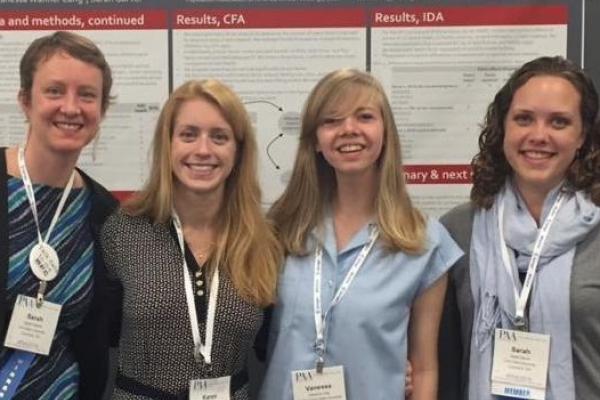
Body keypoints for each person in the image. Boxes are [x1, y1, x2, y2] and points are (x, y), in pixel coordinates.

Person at [259, 69, 462, 400]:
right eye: (331, 120)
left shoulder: (423, 241)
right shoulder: (282, 230)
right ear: (315, 141)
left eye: (364, 116)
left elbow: (424, 368)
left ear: (385, 133)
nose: (349, 129)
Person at [100, 79, 282, 399]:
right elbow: (101, 332)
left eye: (219, 137)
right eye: (188, 134)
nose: (203, 150)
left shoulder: (263, 241)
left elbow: (279, 342)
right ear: (167, 144)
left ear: (238, 151)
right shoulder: (123, 232)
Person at [438, 56, 600, 400]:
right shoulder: (457, 230)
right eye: (524, 119)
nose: (538, 135)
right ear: (503, 129)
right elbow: (441, 359)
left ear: (582, 136)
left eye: (559, 122)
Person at [0, 31, 118, 399]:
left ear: (102, 109)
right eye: (54, 91)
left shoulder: (105, 214)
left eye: (87, 95)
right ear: (25, 100)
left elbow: (98, 334)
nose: (71, 107)